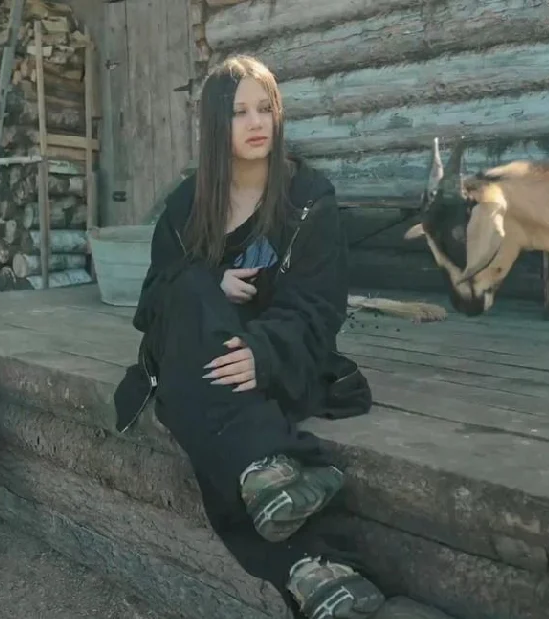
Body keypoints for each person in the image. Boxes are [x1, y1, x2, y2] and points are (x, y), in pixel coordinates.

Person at [113, 55, 384, 618]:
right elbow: (152, 302)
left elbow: (318, 305)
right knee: (187, 292)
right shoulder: (187, 206)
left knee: (192, 403)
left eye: (265, 108)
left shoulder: (309, 199)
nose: (256, 122)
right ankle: (304, 544)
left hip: (271, 364)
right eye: (239, 113)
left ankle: (295, 545)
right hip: (202, 359)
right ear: (217, 124)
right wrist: (209, 283)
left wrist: (263, 351)